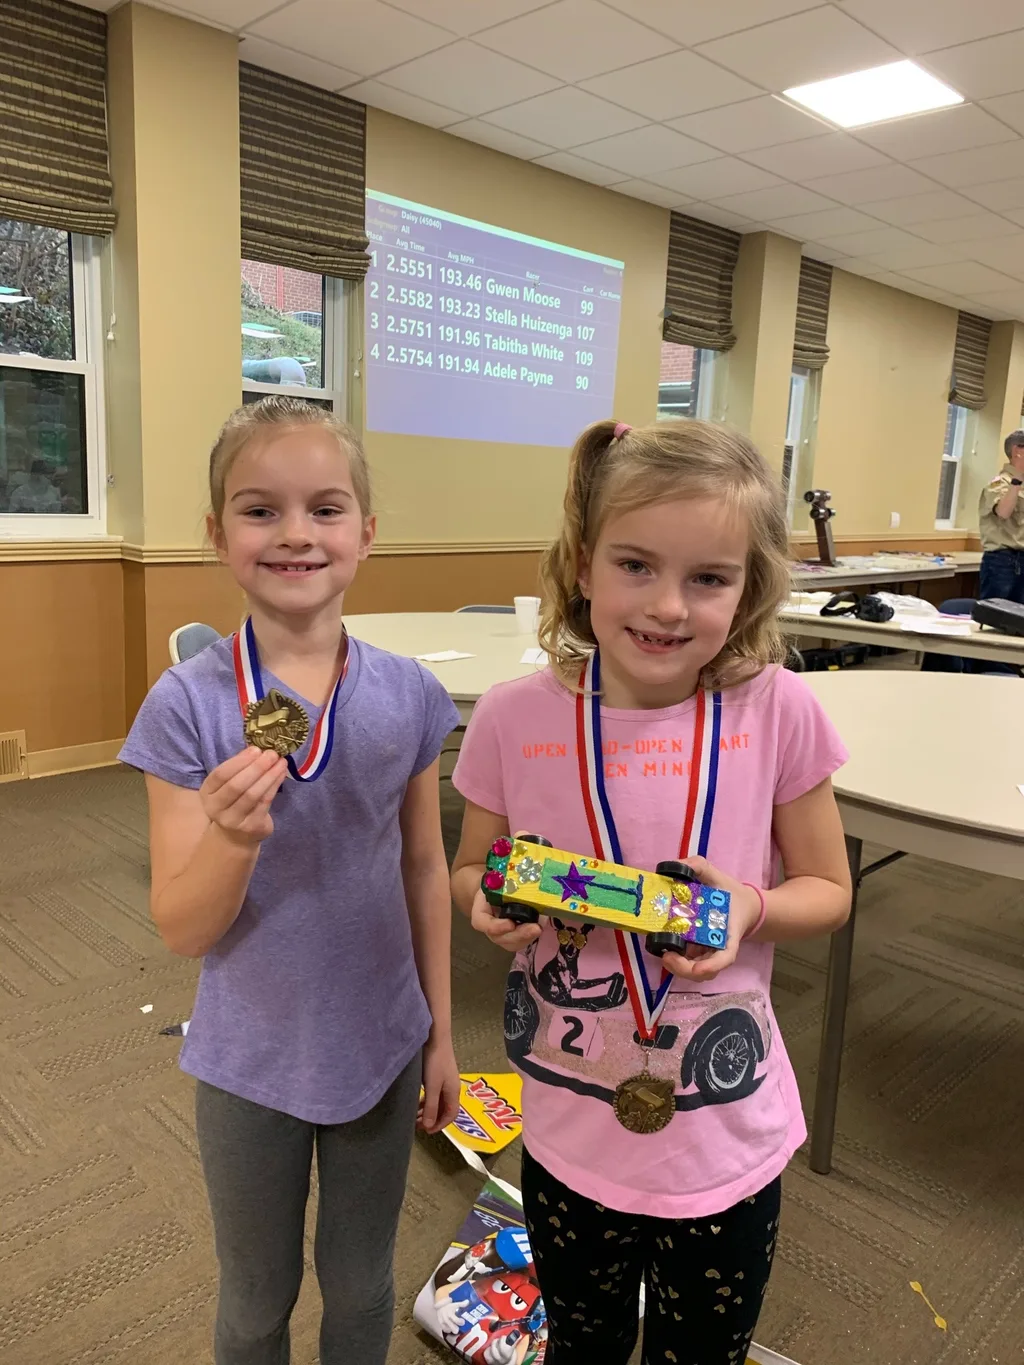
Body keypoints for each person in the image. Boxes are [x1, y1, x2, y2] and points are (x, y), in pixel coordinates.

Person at [450, 419, 852, 1365]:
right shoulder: (515, 716)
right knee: (581, 1346)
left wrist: (750, 906)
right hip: (565, 1122)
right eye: (636, 564)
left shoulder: (777, 710)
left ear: (747, 587)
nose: (669, 606)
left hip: (724, 1143)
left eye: (709, 578)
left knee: (702, 1352)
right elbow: (472, 865)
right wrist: (488, 902)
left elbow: (829, 888)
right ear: (583, 564)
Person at [119, 396, 461, 1365]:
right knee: (254, 1300)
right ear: (215, 533)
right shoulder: (185, 707)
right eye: (259, 509)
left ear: (366, 533)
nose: (296, 533)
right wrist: (229, 837)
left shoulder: (409, 694)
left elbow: (422, 866)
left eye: (325, 507)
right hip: (247, 1059)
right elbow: (182, 929)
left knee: (359, 1290)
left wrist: (441, 1032)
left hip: (382, 1043)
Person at [978, 429, 1024, 604]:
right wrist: (1017, 479)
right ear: (1017, 451)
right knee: (995, 618)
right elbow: (1004, 512)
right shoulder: (999, 483)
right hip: (1002, 561)